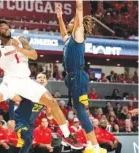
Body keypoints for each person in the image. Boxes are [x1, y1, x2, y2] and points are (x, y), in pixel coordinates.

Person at [0, 18, 76, 146]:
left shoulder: (20, 39)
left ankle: (66, 135)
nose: (6, 29)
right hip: (10, 82)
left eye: (7, 26)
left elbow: (34, 55)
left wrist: (19, 49)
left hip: (26, 81)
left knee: (52, 102)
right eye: (2, 28)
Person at [55, 1, 106, 153]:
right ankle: (90, 145)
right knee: (78, 110)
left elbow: (78, 10)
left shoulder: (78, 35)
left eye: (72, 21)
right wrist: (59, 17)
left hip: (77, 75)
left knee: (81, 111)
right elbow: (63, 34)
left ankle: (96, 146)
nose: (71, 22)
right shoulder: (69, 39)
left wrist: (79, 5)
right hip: (71, 77)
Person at [9, 73, 82, 153]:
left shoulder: (46, 97)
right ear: (35, 81)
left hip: (30, 124)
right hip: (20, 120)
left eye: (44, 77)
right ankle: (66, 136)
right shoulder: (29, 91)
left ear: (46, 81)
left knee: (27, 143)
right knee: (25, 141)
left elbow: (49, 116)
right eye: (39, 77)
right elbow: (11, 99)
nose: (42, 79)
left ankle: (66, 136)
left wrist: (52, 106)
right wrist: (11, 119)